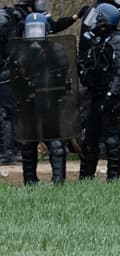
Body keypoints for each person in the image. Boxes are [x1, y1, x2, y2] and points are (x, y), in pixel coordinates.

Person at [0, 0, 84, 165]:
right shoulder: (14, 19)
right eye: (41, 1)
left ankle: (17, 151)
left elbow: (52, 27)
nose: (44, 5)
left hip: (23, 73)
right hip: (9, 74)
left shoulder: (33, 19)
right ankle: (8, 152)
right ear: (30, 1)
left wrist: (75, 17)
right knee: (7, 112)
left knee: (18, 112)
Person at [12, 13, 72, 185]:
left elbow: (63, 74)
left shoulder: (56, 49)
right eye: (32, 30)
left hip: (49, 102)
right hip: (28, 104)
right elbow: (14, 75)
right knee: (28, 144)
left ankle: (59, 181)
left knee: (55, 144)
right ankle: (30, 182)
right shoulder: (20, 51)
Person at [78, 3, 120, 180]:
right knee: (89, 140)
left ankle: (113, 179)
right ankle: (86, 178)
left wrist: (111, 94)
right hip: (95, 95)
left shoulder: (118, 41)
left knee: (112, 140)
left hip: (111, 99)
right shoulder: (96, 40)